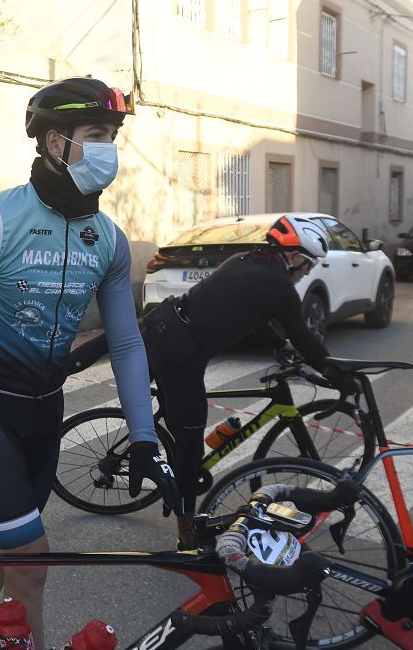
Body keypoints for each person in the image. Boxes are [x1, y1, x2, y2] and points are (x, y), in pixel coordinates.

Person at [0, 78, 182, 650]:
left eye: (112, 137)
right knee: (31, 564)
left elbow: (126, 344)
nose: (110, 150)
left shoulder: (106, 238)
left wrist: (145, 438)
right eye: (97, 136)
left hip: (42, 410)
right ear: (56, 142)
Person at [134, 214, 354, 548]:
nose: (308, 272)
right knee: (191, 444)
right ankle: (185, 532)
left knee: (181, 426)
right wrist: (336, 373)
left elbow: (255, 313)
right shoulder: (277, 284)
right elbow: (305, 338)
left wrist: (278, 345)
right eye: (309, 265)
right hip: (179, 353)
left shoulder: (246, 262)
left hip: (162, 329)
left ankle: (174, 473)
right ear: (294, 257)